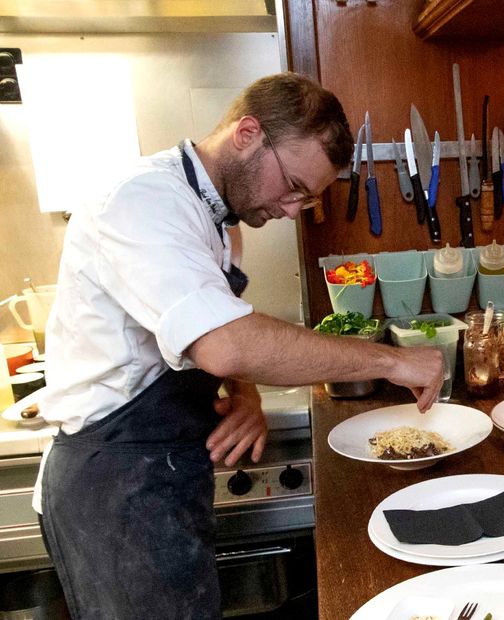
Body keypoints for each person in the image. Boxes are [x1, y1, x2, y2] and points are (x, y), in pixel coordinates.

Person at [35, 72, 444, 619]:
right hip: (113, 485)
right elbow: (225, 343)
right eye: (295, 185)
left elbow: (218, 326)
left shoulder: (220, 226)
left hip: (165, 476)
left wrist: (246, 395)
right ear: (248, 133)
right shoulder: (142, 201)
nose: (296, 208)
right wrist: (392, 360)